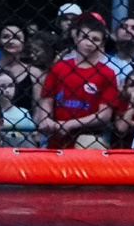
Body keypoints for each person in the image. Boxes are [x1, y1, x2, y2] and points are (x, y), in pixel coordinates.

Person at [38, 12, 122, 149]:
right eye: (85, 37)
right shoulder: (60, 67)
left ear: (101, 43)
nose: (89, 43)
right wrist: (46, 118)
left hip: (89, 138)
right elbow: (47, 99)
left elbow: (104, 114)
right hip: (57, 136)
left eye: (95, 39)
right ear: (76, 38)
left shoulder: (107, 73)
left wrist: (71, 124)